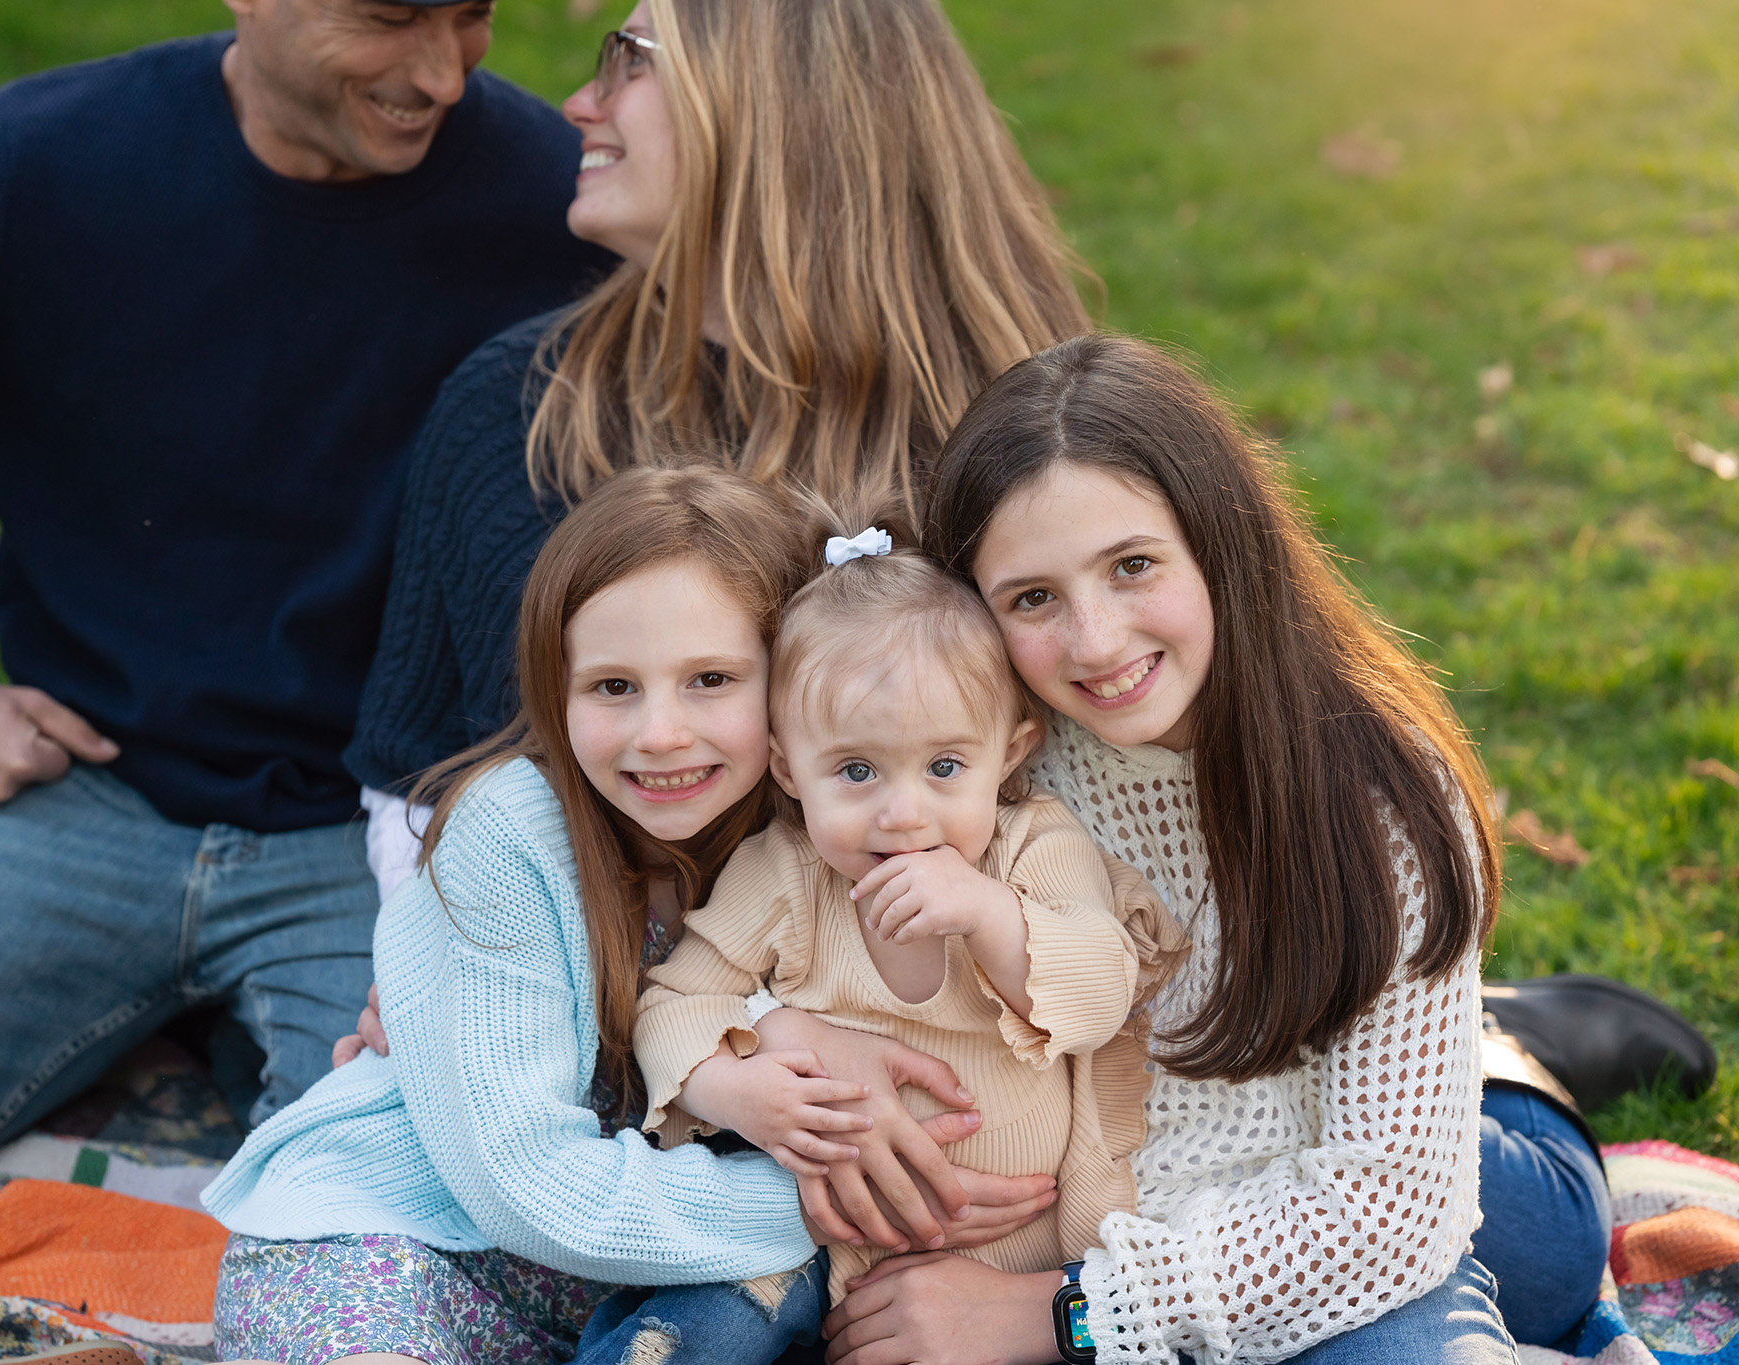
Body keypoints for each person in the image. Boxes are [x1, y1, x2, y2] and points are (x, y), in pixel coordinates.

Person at [0, 0, 613, 1223]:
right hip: (88, 785)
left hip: (387, 822)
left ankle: (221, 1035)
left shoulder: (554, 203)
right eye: (391, 17)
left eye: (472, 14)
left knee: (387, 1215)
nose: (442, 73)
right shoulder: (41, 162)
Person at [770, 330, 1559, 1364]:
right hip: (1109, 1215)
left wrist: (1061, 1316)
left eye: (1132, 566)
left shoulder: (1372, 793)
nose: (1095, 644)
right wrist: (789, 1055)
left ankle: (1524, 1060)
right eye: (1032, 599)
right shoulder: (975, 761)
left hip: (1327, 1203)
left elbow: (1387, 1210)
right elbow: (775, 926)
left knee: (1530, 1251)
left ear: (1220, 543)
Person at [203, 468, 1056, 1365]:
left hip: (620, 1298)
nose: (660, 733)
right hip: (393, 1244)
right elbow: (523, 1181)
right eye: (613, 687)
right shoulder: (517, 827)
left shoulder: (828, 835)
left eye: (711, 679)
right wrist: (815, 1204)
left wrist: (775, 1029)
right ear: (556, 687)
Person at [344, 0, 1094, 833]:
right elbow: (412, 776)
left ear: (779, 104)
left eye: (629, 59)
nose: (580, 104)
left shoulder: (1032, 436)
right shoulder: (517, 412)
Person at [583, 528, 1187, 1363]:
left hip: (1030, 1260)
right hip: (825, 1256)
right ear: (790, 768)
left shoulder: (1030, 850)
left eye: (944, 766)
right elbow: (675, 1002)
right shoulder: (788, 874)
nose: (903, 814)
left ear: (1009, 751)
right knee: (691, 1335)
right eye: (857, 772)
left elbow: (1100, 991)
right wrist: (732, 1089)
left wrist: (988, 913)